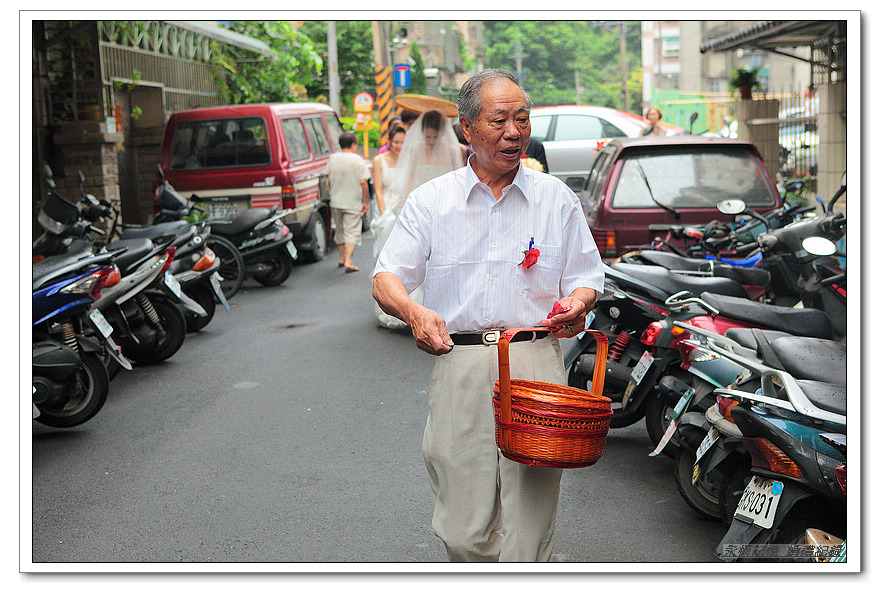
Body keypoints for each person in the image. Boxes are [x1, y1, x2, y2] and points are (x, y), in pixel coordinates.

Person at [372, 68, 604, 562]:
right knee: (463, 528)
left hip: (537, 362)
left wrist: (578, 303)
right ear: (468, 128)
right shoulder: (433, 202)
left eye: (522, 119)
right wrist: (413, 311)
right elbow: (385, 277)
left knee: (530, 518)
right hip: (463, 363)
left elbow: (587, 276)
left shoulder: (556, 198)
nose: (514, 132)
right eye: (499, 120)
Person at [370, 110, 464, 329]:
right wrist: (404, 203)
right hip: (421, 211)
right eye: (427, 137)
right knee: (411, 260)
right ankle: (412, 312)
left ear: (443, 134)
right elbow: (409, 179)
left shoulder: (454, 151)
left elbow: (459, 181)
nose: (431, 141)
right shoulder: (414, 149)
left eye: (435, 137)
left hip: (447, 213)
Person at [327, 131, 370, 272]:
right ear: (353, 145)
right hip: (352, 202)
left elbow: (326, 179)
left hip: (335, 201)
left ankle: (341, 257)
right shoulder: (357, 160)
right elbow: (363, 182)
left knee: (339, 230)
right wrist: (366, 201)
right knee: (351, 231)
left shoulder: (332, 158)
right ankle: (348, 261)